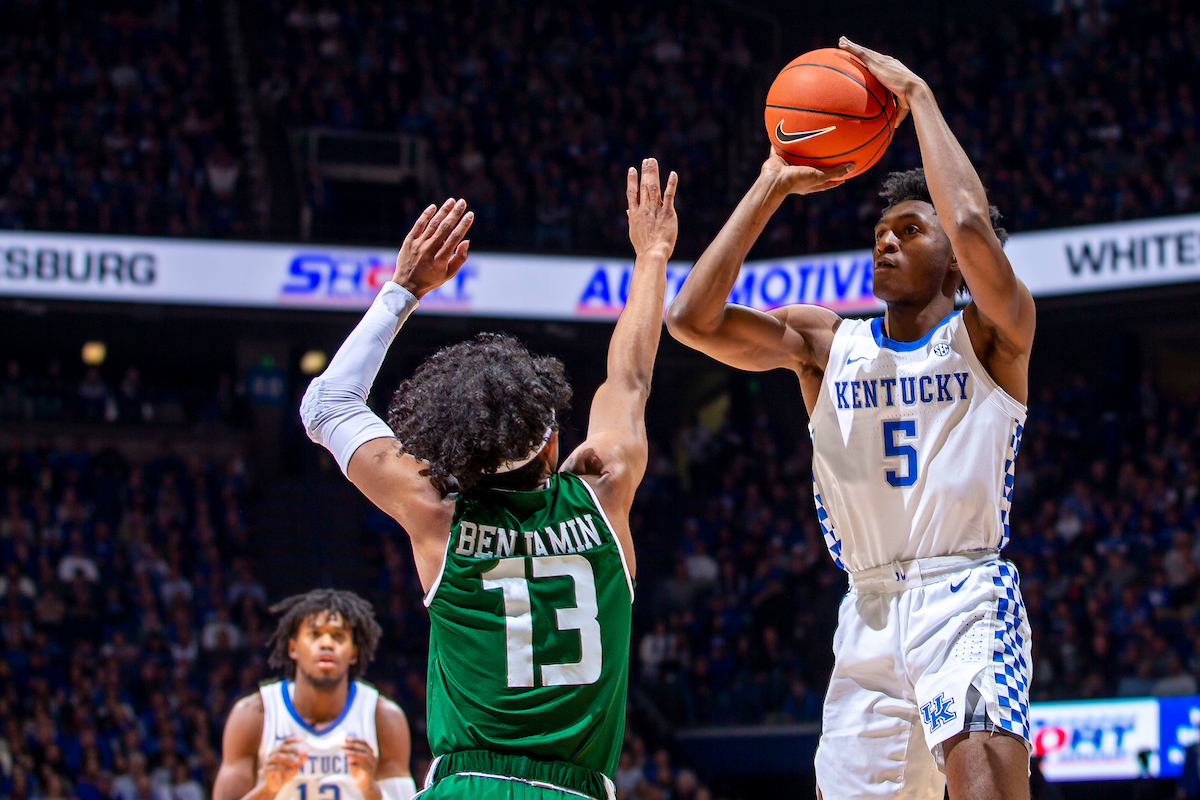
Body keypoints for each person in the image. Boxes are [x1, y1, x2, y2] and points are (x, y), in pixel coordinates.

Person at [667, 38, 1035, 800]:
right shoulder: (828, 344)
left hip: (964, 598)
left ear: (957, 261)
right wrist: (772, 182)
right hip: (865, 610)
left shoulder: (992, 337)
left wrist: (921, 98)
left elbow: (970, 225)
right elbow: (691, 319)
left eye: (910, 230)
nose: (888, 240)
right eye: (881, 233)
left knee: (984, 781)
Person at [299, 159, 678, 799]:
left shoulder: (436, 512)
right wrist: (653, 255)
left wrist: (403, 290)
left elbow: (327, 404)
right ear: (553, 442)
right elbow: (630, 377)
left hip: (467, 783)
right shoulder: (604, 490)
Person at [213, 590, 415, 800]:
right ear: (293, 647)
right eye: (314, 634)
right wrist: (267, 790)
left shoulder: (383, 718)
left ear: (354, 652)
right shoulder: (253, 715)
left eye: (338, 636)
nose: (326, 643)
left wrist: (370, 790)